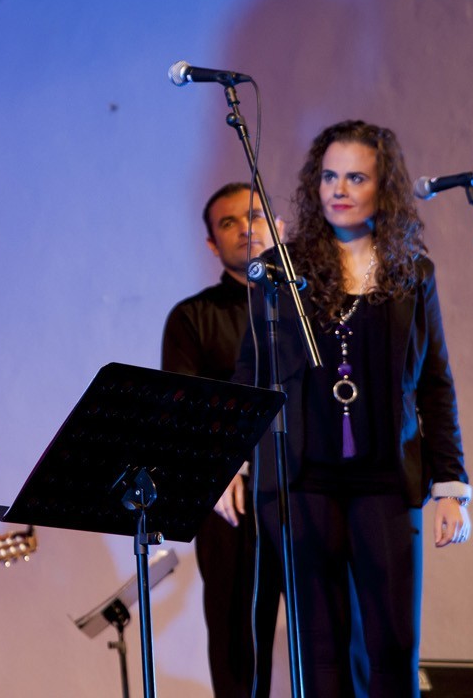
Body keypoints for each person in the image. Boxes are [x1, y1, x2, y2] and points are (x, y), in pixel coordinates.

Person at [220, 119, 471, 697]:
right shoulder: (282, 271)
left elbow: (435, 382)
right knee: (321, 652)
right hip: (303, 480)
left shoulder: (413, 273)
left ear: (384, 187)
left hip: (385, 479)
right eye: (329, 176)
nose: (338, 189)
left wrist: (451, 485)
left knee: (393, 645)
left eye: (356, 178)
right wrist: (231, 462)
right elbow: (250, 374)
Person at [161, 182, 282, 698]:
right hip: (231, 495)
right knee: (237, 643)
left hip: (308, 489)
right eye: (228, 223)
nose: (244, 229)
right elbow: (183, 411)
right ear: (212, 244)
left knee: (331, 632)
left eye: (254, 216)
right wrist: (222, 467)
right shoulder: (193, 316)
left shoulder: (310, 310)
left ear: (278, 227)